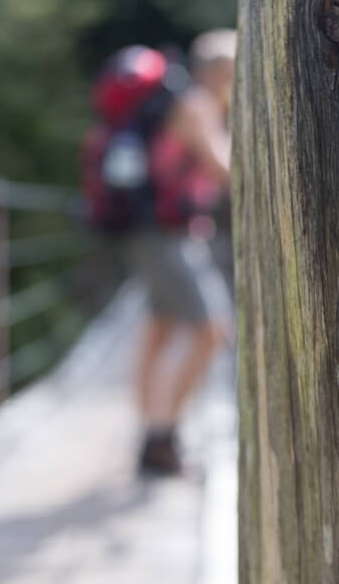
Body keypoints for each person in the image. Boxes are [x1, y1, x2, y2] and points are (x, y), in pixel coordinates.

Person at [129, 29, 236, 475]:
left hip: (153, 231)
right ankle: (162, 437)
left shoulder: (192, 101)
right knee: (213, 329)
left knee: (160, 326)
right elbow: (225, 170)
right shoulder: (198, 105)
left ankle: (153, 430)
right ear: (219, 71)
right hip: (168, 234)